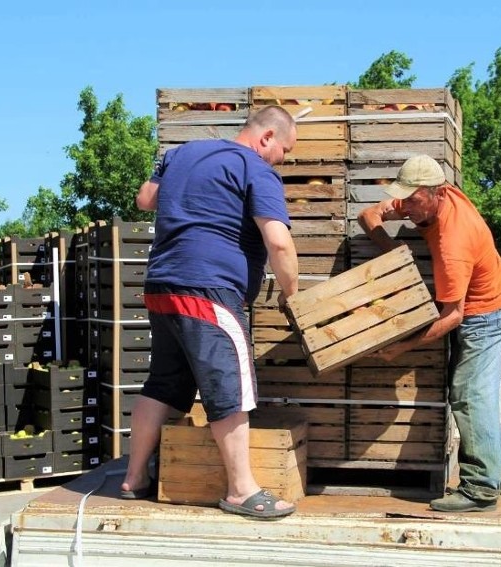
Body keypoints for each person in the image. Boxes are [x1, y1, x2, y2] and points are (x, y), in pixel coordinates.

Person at [120, 105, 300, 519]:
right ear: (266, 137)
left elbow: (145, 199)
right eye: (285, 150)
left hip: (162, 286)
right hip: (209, 289)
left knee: (164, 383)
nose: (283, 160)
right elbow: (279, 243)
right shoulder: (255, 168)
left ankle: (134, 478)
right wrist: (290, 293)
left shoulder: (183, 153)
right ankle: (241, 490)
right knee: (230, 384)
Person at [358, 154, 501, 512]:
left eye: (414, 200)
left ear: (438, 193)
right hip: (484, 308)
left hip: (486, 315)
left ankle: (480, 489)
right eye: (405, 197)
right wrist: (394, 249)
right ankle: (499, 471)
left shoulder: (453, 242)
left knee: (469, 394)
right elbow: (367, 215)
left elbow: (453, 316)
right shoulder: (428, 201)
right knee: (478, 392)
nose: (407, 208)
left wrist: (402, 347)